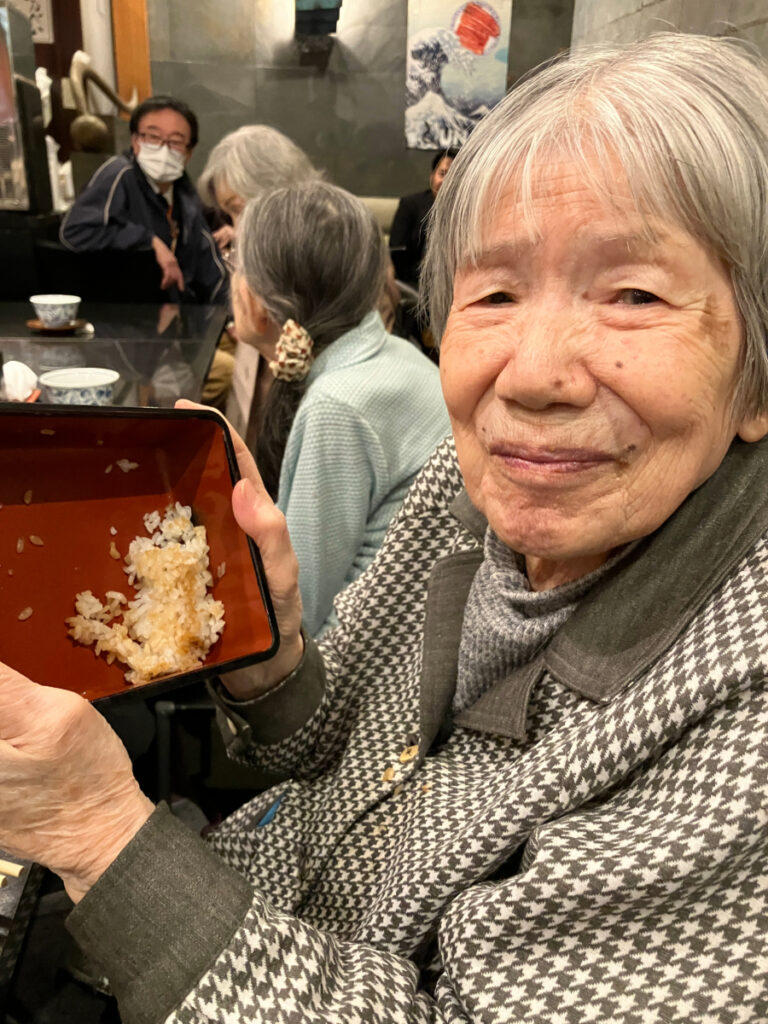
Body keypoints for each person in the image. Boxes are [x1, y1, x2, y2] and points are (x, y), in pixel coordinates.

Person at [2, 32, 768, 1024]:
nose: (532, 375)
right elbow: (328, 745)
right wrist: (268, 663)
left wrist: (99, 829)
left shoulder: (740, 717)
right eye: (494, 292)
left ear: (756, 377)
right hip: (242, 887)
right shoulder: (474, 476)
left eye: (632, 294)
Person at [231, 180, 450, 635]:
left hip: (365, 676)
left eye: (235, 261)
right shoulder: (394, 353)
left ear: (260, 304)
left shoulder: (337, 407)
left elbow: (296, 617)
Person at [60, 95, 227, 306]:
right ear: (136, 141)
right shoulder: (120, 174)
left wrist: (231, 316)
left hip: (173, 315)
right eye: (153, 137)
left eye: (175, 141)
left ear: (189, 152)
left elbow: (206, 259)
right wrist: (149, 240)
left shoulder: (183, 190)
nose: (163, 148)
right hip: (120, 316)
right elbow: (75, 231)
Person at [389, 147, 457, 288]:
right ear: (432, 176)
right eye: (442, 173)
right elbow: (396, 251)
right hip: (414, 284)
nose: (446, 182)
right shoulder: (410, 205)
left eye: (454, 176)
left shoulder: (469, 211)